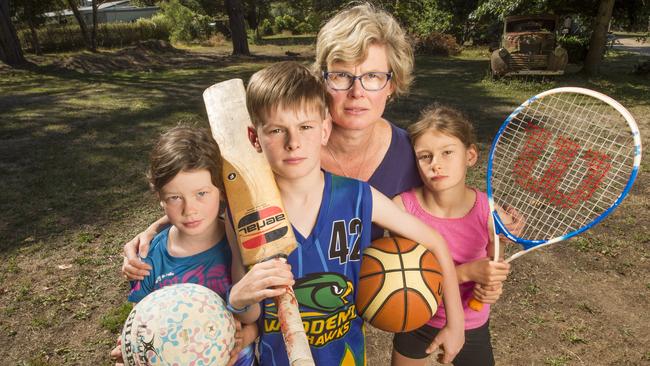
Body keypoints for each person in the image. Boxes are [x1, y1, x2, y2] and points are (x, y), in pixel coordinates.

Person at [223, 61, 463, 365]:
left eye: (305, 127)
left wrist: (455, 323)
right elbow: (253, 314)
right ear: (254, 137)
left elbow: (435, 242)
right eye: (276, 130)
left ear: (324, 129)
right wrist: (239, 297)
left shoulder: (358, 198)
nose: (293, 143)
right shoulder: (242, 215)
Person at [109, 126, 259, 366]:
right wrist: (132, 351)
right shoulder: (150, 258)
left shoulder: (243, 246)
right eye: (175, 197)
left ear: (221, 190)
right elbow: (143, 323)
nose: (189, 210)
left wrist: (249, 334)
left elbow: (260, 316)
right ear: (160, 197)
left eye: (201, 193)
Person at [390, 106, 515, 366]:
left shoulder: (490, 212)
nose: (436, 164)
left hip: (472, 322)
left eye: (447, 152)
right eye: (425, 156)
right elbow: (403, 280)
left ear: (469, 155)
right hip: (416, 317)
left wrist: (491, 281)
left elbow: (495, 256)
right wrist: (467, 273)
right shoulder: (402, 210)